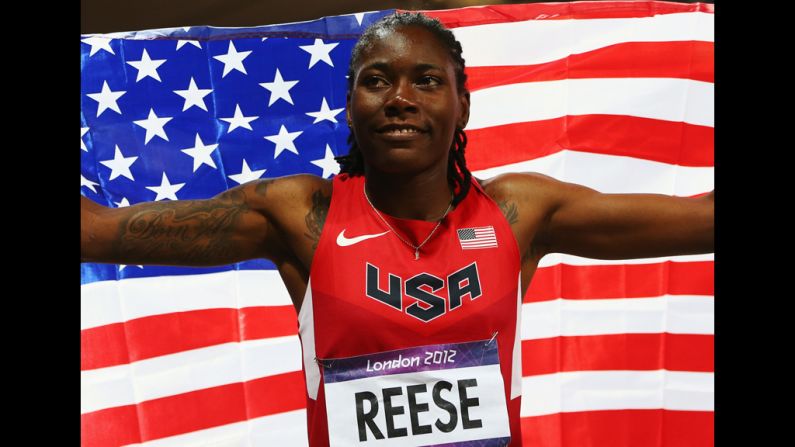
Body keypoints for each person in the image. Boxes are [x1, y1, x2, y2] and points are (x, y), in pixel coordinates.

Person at [81, 12, 713, 447]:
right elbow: (97, 233)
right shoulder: (301, 215)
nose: (399, 97)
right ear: (351, 106)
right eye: (375, 80)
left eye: (427, 80)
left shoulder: (521, 214)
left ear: (463, 104)